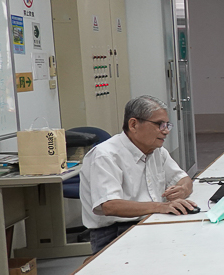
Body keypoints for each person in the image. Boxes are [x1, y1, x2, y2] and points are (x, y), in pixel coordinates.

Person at [79, 96, 194, 254]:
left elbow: (184, 179)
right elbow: (109, 205)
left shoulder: (157, 151)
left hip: (152, 219)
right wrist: (161, 207)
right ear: (133, 125)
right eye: (159, 124)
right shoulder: (105, 155)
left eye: (167, 125)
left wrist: (182, 190)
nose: (166, 131)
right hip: (115, 232)